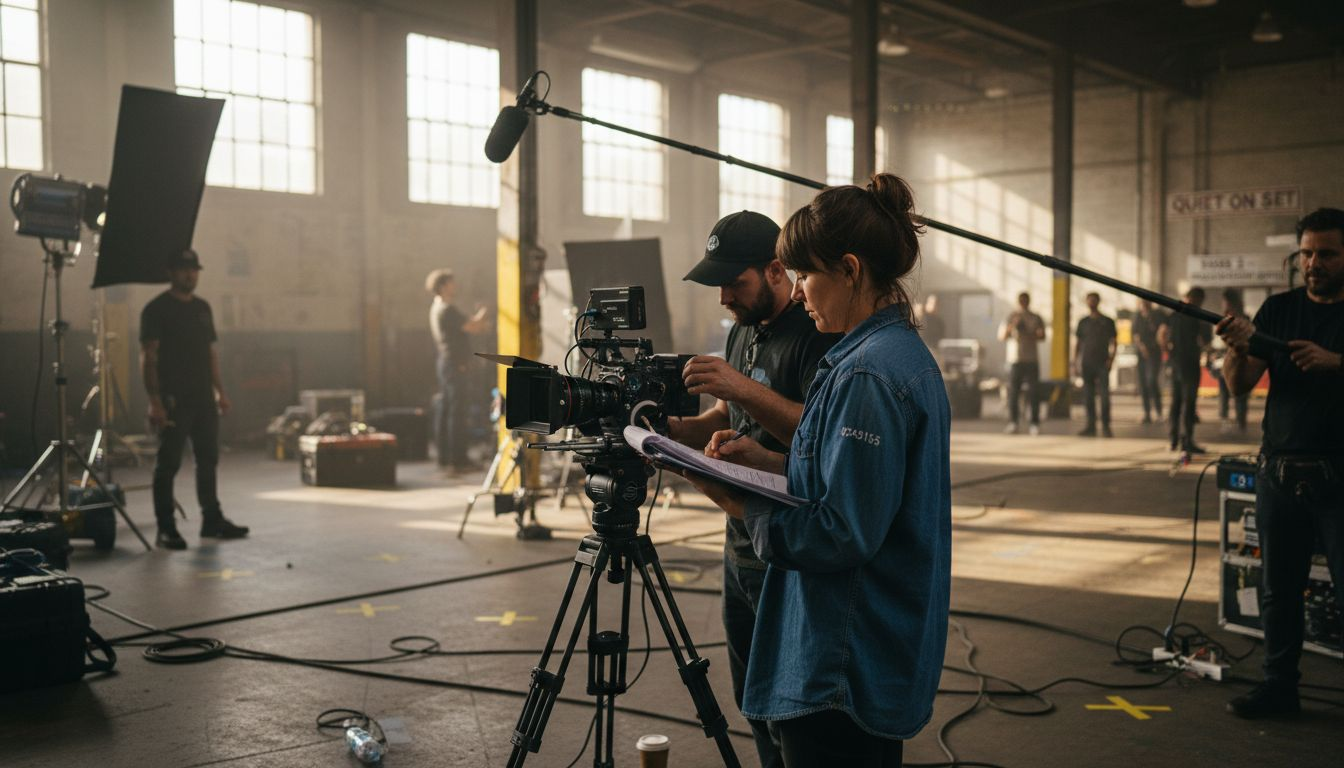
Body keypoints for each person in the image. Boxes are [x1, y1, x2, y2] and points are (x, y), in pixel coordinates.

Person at [682, 174, 951, 766]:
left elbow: (841, 530)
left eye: (805, 276)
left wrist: (739, 502)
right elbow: (855, 479)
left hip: (842, 661)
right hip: (863, 651)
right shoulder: (890, 355)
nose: (801, 294)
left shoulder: (866, 375)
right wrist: (772, 462)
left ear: (850, 270)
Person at [673, 210, 840, 768]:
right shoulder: (742, 326)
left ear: (776, 271)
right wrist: (670, 435)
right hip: (739, 542)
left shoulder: (818, 333)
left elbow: (820, 437)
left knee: (791, 706)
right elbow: (724, 414)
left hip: (788, 547)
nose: (724, 297)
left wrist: (739, 386)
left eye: (734, 283)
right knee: (752, 699)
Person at [1216, 207, 1344, 719]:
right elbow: (1239, 383)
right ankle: (1279, 688)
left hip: (1340, 475)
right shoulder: (1279, 308)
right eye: (1307, 253)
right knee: (1279, 591)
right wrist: (1237, 347)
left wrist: (1337, 363)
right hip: (1280, 473)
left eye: (1328, 253)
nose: (1314, 263)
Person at [140, 249, 248, 550]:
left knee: (208, 459)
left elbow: (210, 354)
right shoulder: (156, 309)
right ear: (171, 273)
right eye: (184, 270)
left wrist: (220, 392)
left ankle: (211, 521)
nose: (191, 275)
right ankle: (166, 529)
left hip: (203, 399)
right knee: (168, 464)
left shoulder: (203, 308)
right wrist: (155, 401)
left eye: (194, 270)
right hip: (174, 399)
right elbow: (148, 357)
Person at [426, 269, 489, 473]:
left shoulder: (436, 308)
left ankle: (446, 458)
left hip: (445, 364)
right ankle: (458, 460)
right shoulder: (447, 309)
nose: (455, 286)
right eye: (452, 283)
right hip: (455, 365)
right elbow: (473, 326)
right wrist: (484, 311)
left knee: (446, 411)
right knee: (457, 413)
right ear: (443, 285)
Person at [1158, 287, 1212, 453]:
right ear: (1198, 299)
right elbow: (1205, 341)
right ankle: (1186, 441)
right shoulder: (1198, 315)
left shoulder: (1174, 314)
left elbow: (1161, 334)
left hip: (1176, 363)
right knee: (1188, 403)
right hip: (1189, 363)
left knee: (1176, 402)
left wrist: (1168, 351)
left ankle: (1174, 440)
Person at [999, 291, 1045, 435]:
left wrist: (1030, 332)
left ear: (1028, 301)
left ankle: (1034, 423)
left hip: (1031, 359)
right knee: (1014, 393)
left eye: (1025, 300)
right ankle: (1014, 423)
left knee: (1034, 393)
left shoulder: (1036, 317)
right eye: (1021, 300)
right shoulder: (1011, 316)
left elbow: (1042, 336)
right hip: (1015, 360)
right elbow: (1002, 337)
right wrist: (1013, 325)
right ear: (1018, 301)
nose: (1023, 302)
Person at [1073, 292, 1116, 437]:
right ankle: (1090, 426)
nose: (1091, 303)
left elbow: (1114, 342)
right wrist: (1075, 362)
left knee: (1104, 396)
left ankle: (1106, 426)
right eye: (1089, 300)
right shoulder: (1083, 322)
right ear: (1086, 302)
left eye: (1094, 300)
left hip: (1102, 363)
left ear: (1098, 302)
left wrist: (1111, 359)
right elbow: (1078, 344)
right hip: (1087, 363)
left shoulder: (1107, 321)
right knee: (1088, 396)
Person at [1209, 288, 1250, 433]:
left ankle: (1241, 421)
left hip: (1241, 359)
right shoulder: (1221, 319)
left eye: (1225, 302)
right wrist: (1213, 354)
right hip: (1222, 360)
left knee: (1240, 393)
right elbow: (1215, 340)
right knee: (1224, 392)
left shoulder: (1244, 319)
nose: (1223, 305)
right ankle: (1225, 420)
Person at [1131, 299, 1167, 424]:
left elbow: (1164, 329)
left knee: (1152, 381)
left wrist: (1162, 344)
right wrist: (1142, 347)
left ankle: (1158, 411)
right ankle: (1147, 413)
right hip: (1142, 355)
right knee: (1143, 383)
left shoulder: (1157, 315)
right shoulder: (1137, 316)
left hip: (1154, 353)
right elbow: (1135, 334)